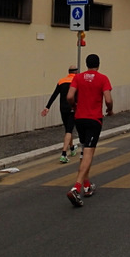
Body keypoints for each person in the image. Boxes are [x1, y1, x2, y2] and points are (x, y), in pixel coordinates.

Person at [65, 54, 113, 207]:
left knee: (84, 150)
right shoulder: (103, 78)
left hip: (79, 119)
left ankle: (86, 185)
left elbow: (70, 96)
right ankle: (76, 187)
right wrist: (109, 110)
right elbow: (108, 99)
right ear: (98, 65)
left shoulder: (78, 78)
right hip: (94, 120)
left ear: (86, 64)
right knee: (89, 153)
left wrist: (74, 106)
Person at [41, 65, 79, 163]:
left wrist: (47, 107)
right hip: (72, 108)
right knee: (69, 131)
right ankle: (63, 154)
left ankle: (72, 148)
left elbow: (54, 95)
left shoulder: (61, 81)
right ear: (76, 72)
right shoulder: (77, 80)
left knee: (67, 130)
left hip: (62, 109)